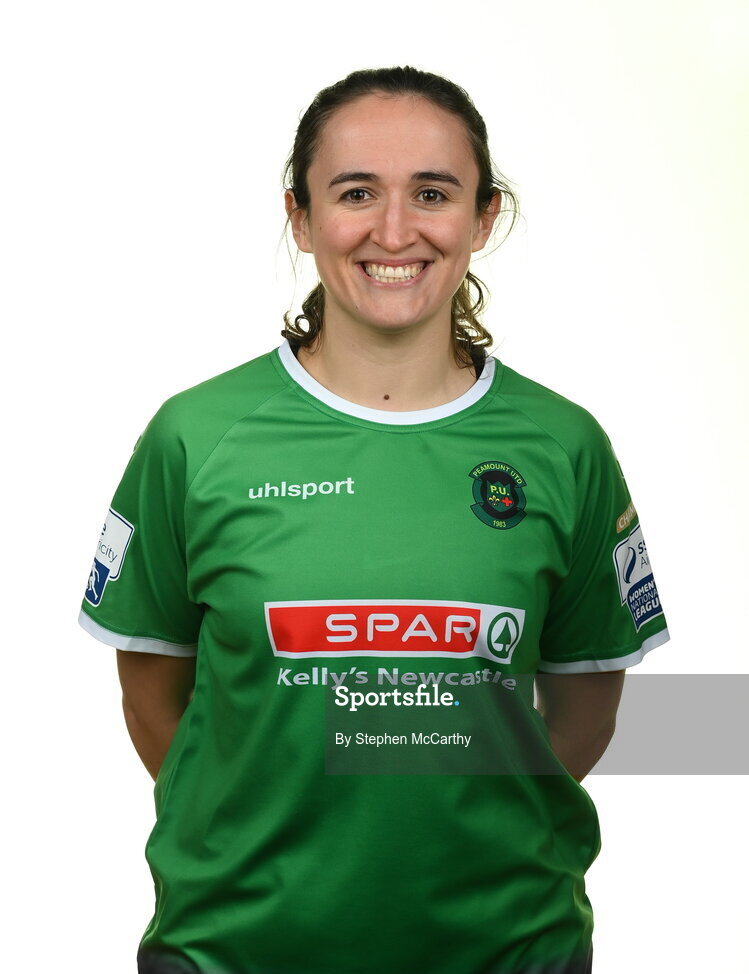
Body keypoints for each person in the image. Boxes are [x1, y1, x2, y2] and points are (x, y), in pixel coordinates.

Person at [78, 65, 670, 974]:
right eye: (356, 193)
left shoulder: (564, 446)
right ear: (301, 216)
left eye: (432, 193)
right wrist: (274, 829)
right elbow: (154, 699)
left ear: (482, 218)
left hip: (506, 950)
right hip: (234, 952)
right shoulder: (195, 436)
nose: (394, 232)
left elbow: (582, 716)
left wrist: (446, 828)